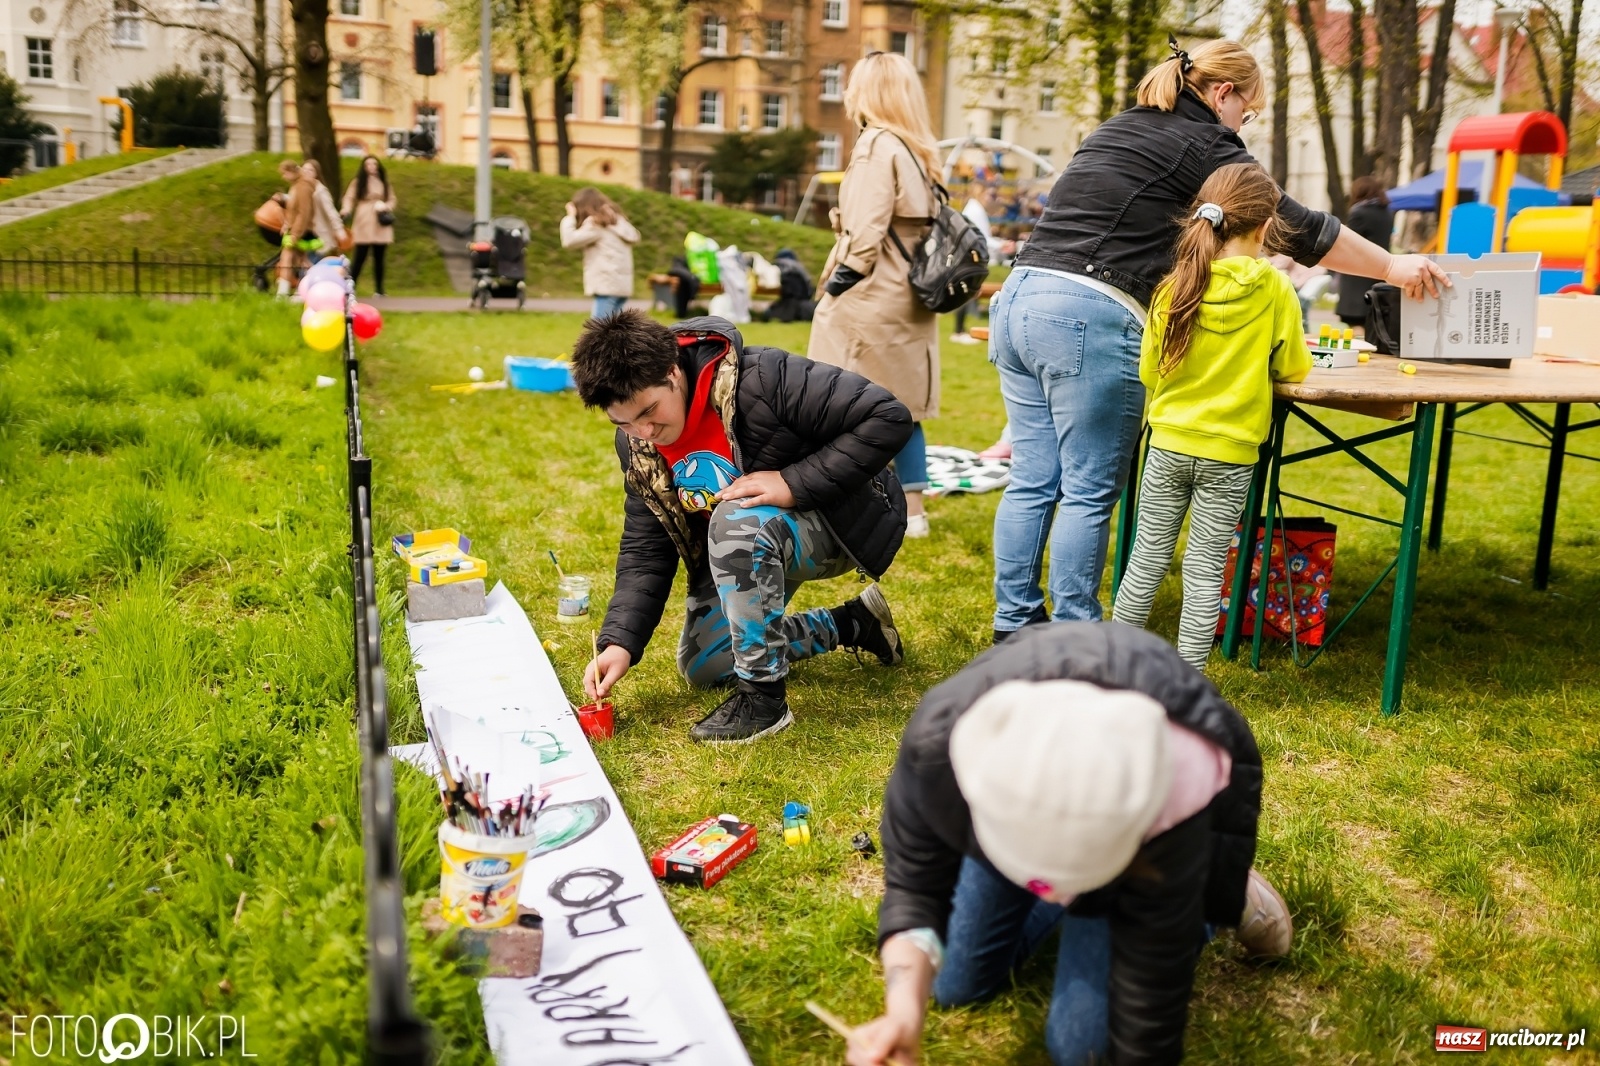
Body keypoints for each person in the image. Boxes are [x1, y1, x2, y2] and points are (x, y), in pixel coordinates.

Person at [987, 37, 1447, 643]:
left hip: (1019, 296)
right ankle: (1077, 633)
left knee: (1033, 480)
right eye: (1246, 112)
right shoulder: (1208, 145)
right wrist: (1393, 268)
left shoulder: (1120, 127)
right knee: (1090, 489)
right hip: (1089, 313)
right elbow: (1297, 227)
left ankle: (1013, 623)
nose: (1242, 127)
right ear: (1222, 93)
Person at [847, 622, 1291, 1066]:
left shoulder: (1180, 792)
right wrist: (903, 1013)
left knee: (1085, 1050)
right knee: (951, 982)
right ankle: (1072, 891)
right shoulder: (939, 750)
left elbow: (1149, 1003)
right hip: (1044, 816)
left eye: (1065, 876)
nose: (1054, 890)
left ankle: (1217, 888)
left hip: (1145, 845)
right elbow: (916, 889)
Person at [574, 310, 911, 744]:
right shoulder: (638, 444)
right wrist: (619, 641)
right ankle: (853, 623)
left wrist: (793, 482)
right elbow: (645, 547)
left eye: (650, 411)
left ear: (673, 371)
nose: (644, 431)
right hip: (744, 547)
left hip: (835, 523)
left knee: (734, 520)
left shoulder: (764, 378)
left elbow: (888, 416)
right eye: (622, 422)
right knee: (706, 665)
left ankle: (764, 701)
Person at [1111, 164, 1311, 671]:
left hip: (1170, 444)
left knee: (1146, 561)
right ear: (1266, 226)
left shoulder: (1174, 286)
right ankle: (1187, 683)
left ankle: (1111, 668)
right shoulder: (1276, 290)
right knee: (1203, 572)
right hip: (1232, 453)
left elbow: (1151, 371)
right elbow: (1292, 366)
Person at [808, 51, 940, 540]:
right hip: (909, 296)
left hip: (870, 295)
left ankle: (838, 504)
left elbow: (864, 231)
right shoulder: (916, 149)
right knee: (902, 408)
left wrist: (836, 286)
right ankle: (915, 511)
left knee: (835, 402)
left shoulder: (875, 146)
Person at [560, 187, 640, 320]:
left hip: (607, 286)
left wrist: (570, 217)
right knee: (612, 333)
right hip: (622, 287)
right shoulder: (617, 222)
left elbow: (569, 240)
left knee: (598, 334)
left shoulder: (597, 224)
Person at [1335, 176, 1396, 328]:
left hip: (1357, 277)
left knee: (1356, 323)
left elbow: (1349, 243)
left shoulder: (1359, 212)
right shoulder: (1387, 212)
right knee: (1373, 322)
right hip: (1378, 273)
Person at [341, 154, 397, 297]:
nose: (372, 167)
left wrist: (386, 206)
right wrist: (346, 209)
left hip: (380, 219)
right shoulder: (358, 182)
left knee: (379, 257)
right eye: (368, 164)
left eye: (374, 164)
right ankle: (350, 288)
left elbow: (392, 199)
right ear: (364, 167)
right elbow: (349, 197)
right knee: (359, 256)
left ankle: (379, 290)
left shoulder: (384, 182)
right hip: (364, 218)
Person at [950, 186, 998, 345]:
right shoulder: (975, 210)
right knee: (965, 292)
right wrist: (1001, 245)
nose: (991, 198)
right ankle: (958, 331)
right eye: (989, 193)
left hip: (967, 256)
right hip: (968, 257)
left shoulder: (973, 207)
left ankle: (959, 331)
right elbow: (982, 237)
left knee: (966, 292)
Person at [762, 248, 816, 323]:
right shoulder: (800, 269)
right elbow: (809, 289)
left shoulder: (778, 266)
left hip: (787, 303)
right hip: (801, 303)